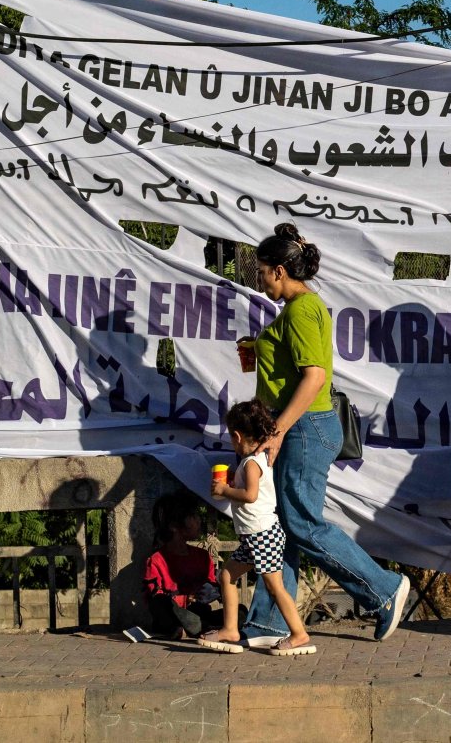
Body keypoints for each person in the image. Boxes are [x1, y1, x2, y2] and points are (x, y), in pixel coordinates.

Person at [245, 223, 410, 644]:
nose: (259, 280)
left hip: (303, 428)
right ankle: (269, 622)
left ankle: (382, 590)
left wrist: (278, 430)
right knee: (282, 525)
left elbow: (314, 377)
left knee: (302, 524)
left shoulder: (301, 310)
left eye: (262, 271)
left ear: (280, 271)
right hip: (300, 426)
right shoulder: (297, 311)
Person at [199, 400, 315, 655]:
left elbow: (250, 495)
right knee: (227, 576)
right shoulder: (253, 461)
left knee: (275, 586)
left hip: (263, 535)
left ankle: (299, 634)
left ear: (238, 436)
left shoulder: (252, 463)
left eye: (231, 437)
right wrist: (232, 482)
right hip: (254, 537)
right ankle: (230, 629)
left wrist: (224, 489)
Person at [144, 491, 223, 640]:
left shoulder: (202, 556)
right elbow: (153, 596)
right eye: (193, 516)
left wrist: (218, 587)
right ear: (174, 526)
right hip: (172, 615)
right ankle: (196, 627)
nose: (199, 520)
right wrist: (185, 598)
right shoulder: (156, 560)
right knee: (162, 605)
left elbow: (210, 586)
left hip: (198, 612)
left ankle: (196, 627)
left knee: (240, 612)